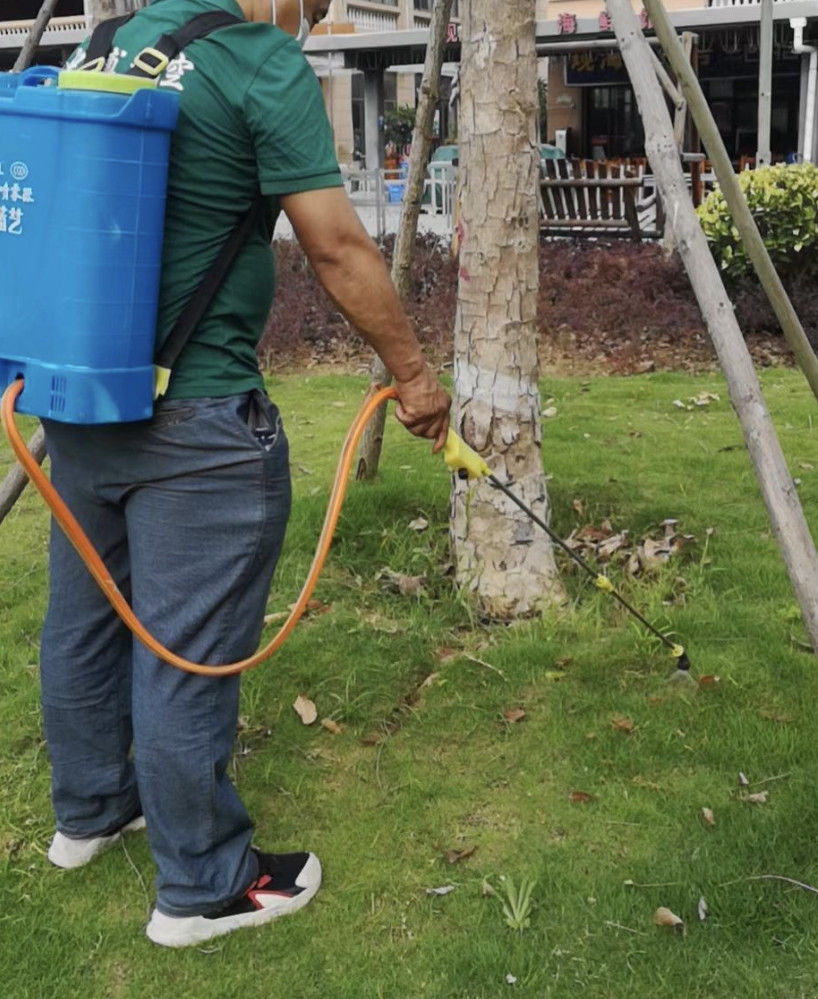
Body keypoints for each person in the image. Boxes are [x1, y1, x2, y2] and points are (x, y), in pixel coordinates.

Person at [43, 0, 450, 949]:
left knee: (84, 619)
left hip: (83, 405)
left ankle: (91, 811)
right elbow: (335, 246)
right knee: (185, 652)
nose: (316, 10)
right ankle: (203, 885)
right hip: (196, 421)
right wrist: (415, 375)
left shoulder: (107, 42)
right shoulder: (258, 62)